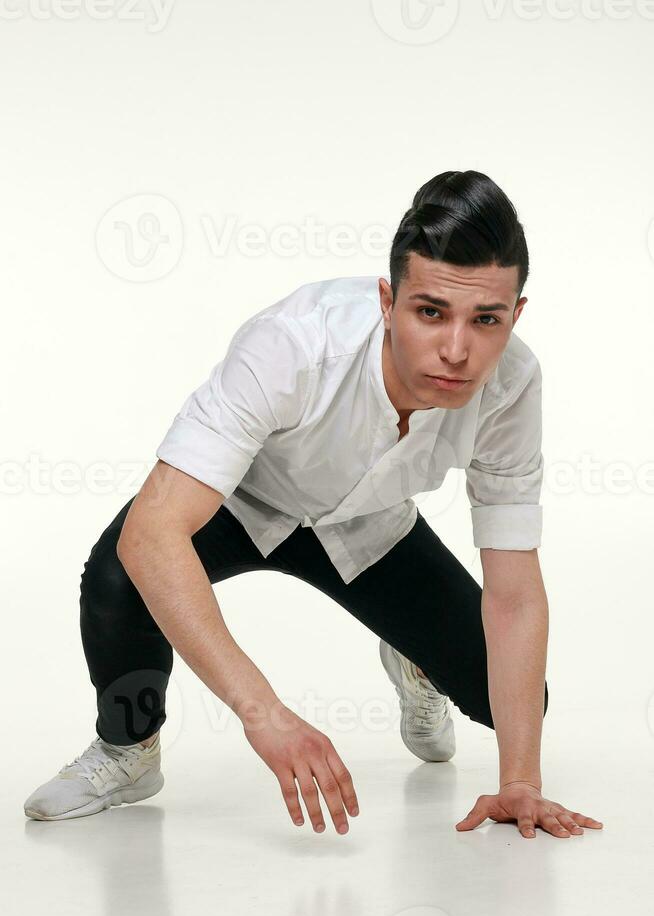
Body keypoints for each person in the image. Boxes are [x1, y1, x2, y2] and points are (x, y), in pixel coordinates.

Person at [24, 170, 603, 840]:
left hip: (370, 527)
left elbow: (515, 595)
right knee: (120, 572)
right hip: (244, 500)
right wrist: (264, 714)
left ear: (516, 315)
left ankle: (415, 660)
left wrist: (521, 782)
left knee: (520, 700)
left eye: (487, 320)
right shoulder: (293, 344)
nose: (456, 350)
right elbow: (153, 534)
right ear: (388, 301)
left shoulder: (513, 384)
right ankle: (128, 752)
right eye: (431, 312)